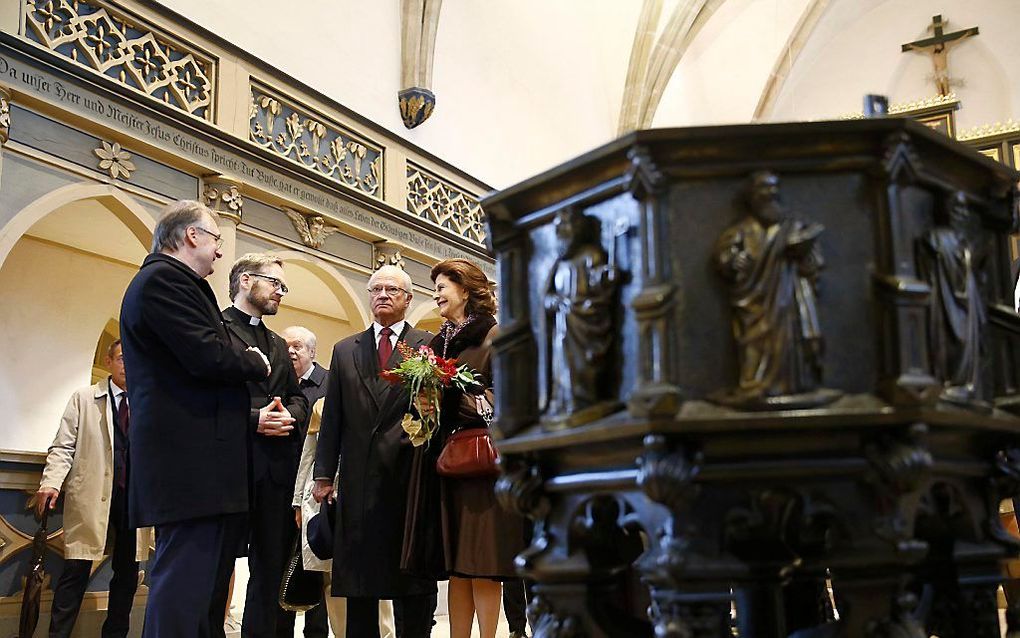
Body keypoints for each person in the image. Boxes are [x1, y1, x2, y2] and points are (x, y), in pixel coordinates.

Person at [119, 200, 270, 638]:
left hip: (196, 467)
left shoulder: (169, 282)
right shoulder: (165, 280)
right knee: (182, 590)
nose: (220, 252)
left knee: (195, 590)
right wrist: (253, 360)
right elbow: (208, 355)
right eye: (217, 239)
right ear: (191, 236)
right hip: (188, 467)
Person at [403, 258, 526, 638]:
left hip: (484, 466)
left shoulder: (495, 335)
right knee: (455, 564)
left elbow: (511, 400)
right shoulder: (437, 344)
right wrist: (424, 405)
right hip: (446, 463)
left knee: (482, 564)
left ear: (467, 290)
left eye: (443, 286)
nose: (436, 293)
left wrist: (461, 392)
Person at [312, 265, 436, 638]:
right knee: (360, 581)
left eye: (391, 289)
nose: (382, 294)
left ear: (408, 299)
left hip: (408, 477)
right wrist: (322, 475)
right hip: (359, 479)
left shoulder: (426, 345)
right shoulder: (345, 349)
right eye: (376, 289)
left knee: (411, 580)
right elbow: (332, 416)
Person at [36, 339, 151, 638]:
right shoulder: (84, 398)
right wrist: (51, 482)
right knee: (75, 571)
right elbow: (63, 446)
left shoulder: (148, 402)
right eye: (123, 357)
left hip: (133, 502)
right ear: (109, 361)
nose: (128, 364)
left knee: (127, 576)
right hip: (91, 498)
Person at [220, 254, 308, 638]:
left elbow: (297, 396)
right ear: (245, 281)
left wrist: (289, 414)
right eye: (275, 284)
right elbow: (208, 400)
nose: (280, 293)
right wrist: (256, 418)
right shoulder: (216, 330)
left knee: (269, 570)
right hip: (229, 471)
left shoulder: (276, 342)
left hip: (275, 474)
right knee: (217, 567)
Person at [279, 325, 331, 638]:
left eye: (297, 346)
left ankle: (316, 633)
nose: (291, 352)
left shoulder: (329, 385)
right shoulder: (277, 383)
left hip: (313, 494)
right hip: (279, 489)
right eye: (286, 346)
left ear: (312, 351)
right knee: (282, 566)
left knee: (315, 564)